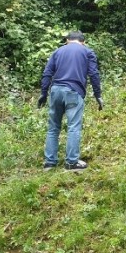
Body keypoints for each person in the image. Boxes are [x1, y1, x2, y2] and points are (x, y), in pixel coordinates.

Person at [37, 31, 103, 172]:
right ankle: (71, 163)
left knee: (53, 127)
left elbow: (47, 73)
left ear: (67, 40)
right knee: (73, 127)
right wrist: (98, 94)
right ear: (83, 42)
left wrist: (43, 93)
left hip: (55, 91)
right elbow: (94, 74)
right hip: (73, 91)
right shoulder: (87, 52)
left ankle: (50, 163)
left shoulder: (57, 51)